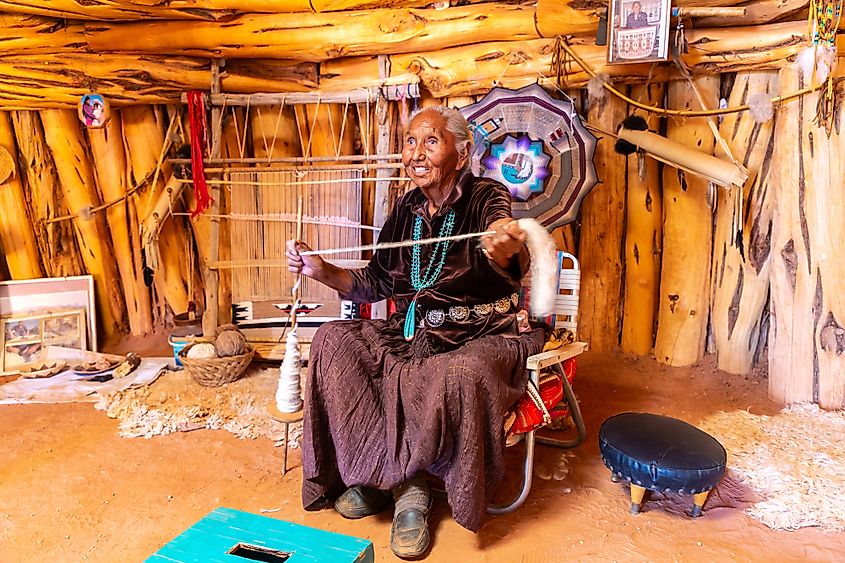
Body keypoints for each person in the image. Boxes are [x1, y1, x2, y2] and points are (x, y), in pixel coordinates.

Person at [286, 106, 545, 559]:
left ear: (461, 154)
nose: (416, 154)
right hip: (414, 332)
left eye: (431, 141)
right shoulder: (405, 209)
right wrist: (320, 269)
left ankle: (412, 490)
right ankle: (383, 473)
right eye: (410, 142)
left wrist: (506, 246)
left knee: (453, 373)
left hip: (480, 336)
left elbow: (508, 249)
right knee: (334, 341)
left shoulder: (487, 196)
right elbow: (374, 283)